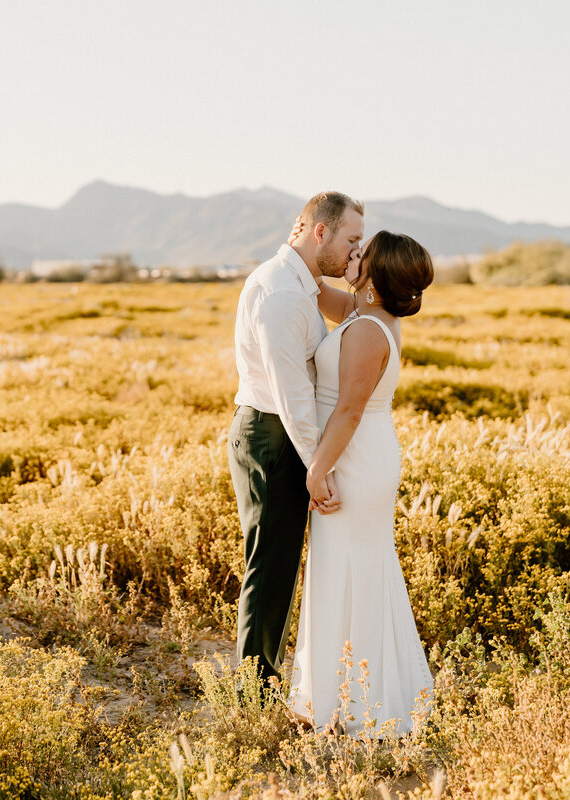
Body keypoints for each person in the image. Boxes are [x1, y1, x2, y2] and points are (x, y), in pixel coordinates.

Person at [287, 230, 436, 736]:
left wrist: (316, 469)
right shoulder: (363, 312)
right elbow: (310, 286)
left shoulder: (370, 329)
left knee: (354, 571)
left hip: (356, 458)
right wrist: (300, 250)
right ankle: (339, 694)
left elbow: (348, 411)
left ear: (375, 274)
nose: (353, 255)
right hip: (357, 452)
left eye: (362, 253)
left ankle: (361, 704)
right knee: (345, 570)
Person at [228, 191, 364, 689]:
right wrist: (318, 468)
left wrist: (360, 281)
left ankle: (260, 686)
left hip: (283, 433)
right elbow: (293, 397)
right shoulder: (283, 294)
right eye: (352, 240)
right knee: (271, 567)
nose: (356, 253)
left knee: (278, 565)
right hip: (272, 434)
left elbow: (356, 313)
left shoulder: (299, 283)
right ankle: (252, 696)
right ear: (320, 232)